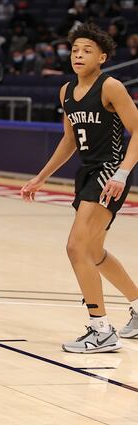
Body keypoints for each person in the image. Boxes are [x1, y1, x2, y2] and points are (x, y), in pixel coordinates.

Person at [21, 24, 138, 353]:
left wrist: (123, 172)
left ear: (101, 57)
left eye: (86, 50)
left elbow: (137, 130)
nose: (78, 55)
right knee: (95, 253)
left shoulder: (110, 86)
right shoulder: (66, 92)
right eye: (74, 50)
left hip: (108, 173)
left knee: (76, 248)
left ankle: (101, 329)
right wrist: (41, 177)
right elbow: (69, 141)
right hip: (87, 173)